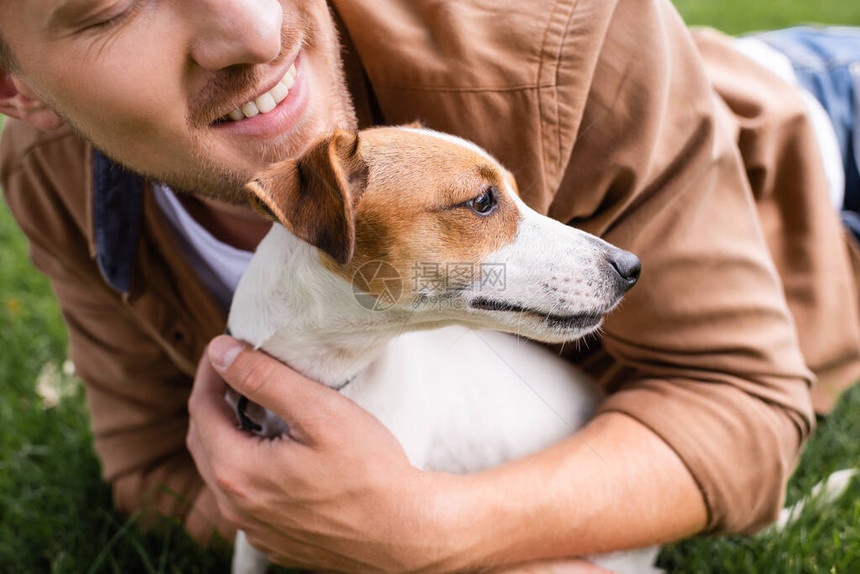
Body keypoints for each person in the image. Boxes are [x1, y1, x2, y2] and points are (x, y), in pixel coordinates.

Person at [0, 0, 857, 570]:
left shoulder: (568, 22)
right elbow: (151, 470)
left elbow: (741, 404)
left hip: (815, 129)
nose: (253, 29)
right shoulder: (50, 171)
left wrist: (435, 531)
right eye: (112, 3)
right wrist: (281, 504)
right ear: (15, 86)